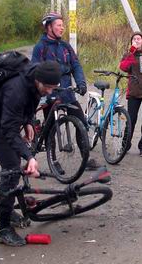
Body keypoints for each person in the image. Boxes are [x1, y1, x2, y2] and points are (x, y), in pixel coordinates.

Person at [0, 60, 60, 246]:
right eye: (47, 87)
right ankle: (4, 228)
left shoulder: (35, 81)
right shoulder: (16, 90)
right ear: (38, 80)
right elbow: (8, 130)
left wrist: (29, 122)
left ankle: (7, 209)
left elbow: (30, 104)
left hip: (9, 120)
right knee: (12, 168)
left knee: (14, 167)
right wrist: (29, 157)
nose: (49, 91)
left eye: (53, 88)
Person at [31, 12, 97, 170]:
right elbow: (34, 70)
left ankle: (85, 158)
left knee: (81, 121)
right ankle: (53, 161)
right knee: (50, 128)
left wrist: (81, 83)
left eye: (62, 25)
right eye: (58, 25)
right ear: (49, 27)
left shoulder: (66, 46)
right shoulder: (41, 48)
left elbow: (76, 65)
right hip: (50, 95)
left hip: (67, 93)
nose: (62, 28)